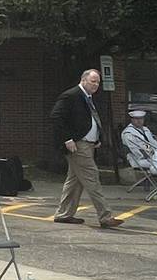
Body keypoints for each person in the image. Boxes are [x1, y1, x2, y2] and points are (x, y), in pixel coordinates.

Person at [50, 70, 124, 228]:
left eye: (98, 82)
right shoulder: (71, 95)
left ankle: (64, 214)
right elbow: (56, 116)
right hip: (78, 145)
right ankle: (105, 216)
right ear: (83, 80)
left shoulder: (87, 98)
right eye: (93, 81)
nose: (96, 85)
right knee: (92, 178)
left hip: (88, 144)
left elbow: (89, 121)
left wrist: (96, 138)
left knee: (74, 181)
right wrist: (67, 139)